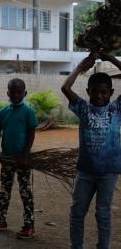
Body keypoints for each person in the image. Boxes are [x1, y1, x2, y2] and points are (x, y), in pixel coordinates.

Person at [61, 53, 121, 249]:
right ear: (88, 91)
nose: (99, 96)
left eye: (104, 92)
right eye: (95, 92)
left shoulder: (116, 109)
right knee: (77, 212)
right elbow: (65, 87)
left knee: (103, 213)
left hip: (108, 173)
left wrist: (110, 58)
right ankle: (76, 246)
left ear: (111, 93)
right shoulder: (83, 108)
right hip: (85, 171)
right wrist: (80, 67)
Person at [0, 78, 37, 239]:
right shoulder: (4, 111)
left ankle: (29, 225)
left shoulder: (28, 111)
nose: (16, 95)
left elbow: (31, 133)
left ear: (24, 93)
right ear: (8, 93)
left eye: (19, 92)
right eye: (13, 92)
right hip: (6, 158)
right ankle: (0, 219)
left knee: (25, 191)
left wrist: (25, 154)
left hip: (22, 160)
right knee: (4, 190)